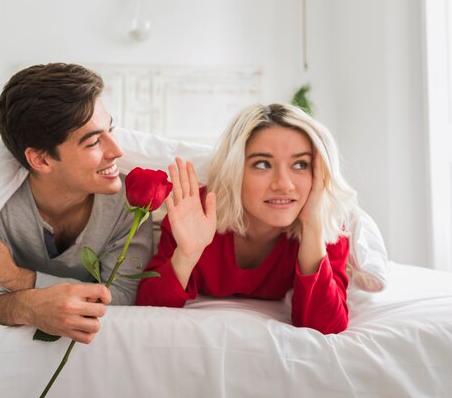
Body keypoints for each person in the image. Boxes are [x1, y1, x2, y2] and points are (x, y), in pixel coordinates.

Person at [0, 63, 153, 344]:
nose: (116, 151)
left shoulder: (132, 201)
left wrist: (20, 280)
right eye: (93, 142)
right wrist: (30, 307)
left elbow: (122, 297)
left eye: (111, 130)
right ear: (42, 160)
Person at [136, 103, 358, 334]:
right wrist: (187, 255)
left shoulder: (323, 225)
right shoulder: (194, 212)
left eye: (300, 165)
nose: (283, 184)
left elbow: (325, 326)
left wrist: (312, 226)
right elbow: (150, 307)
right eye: (262, 164)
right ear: (235, 169)